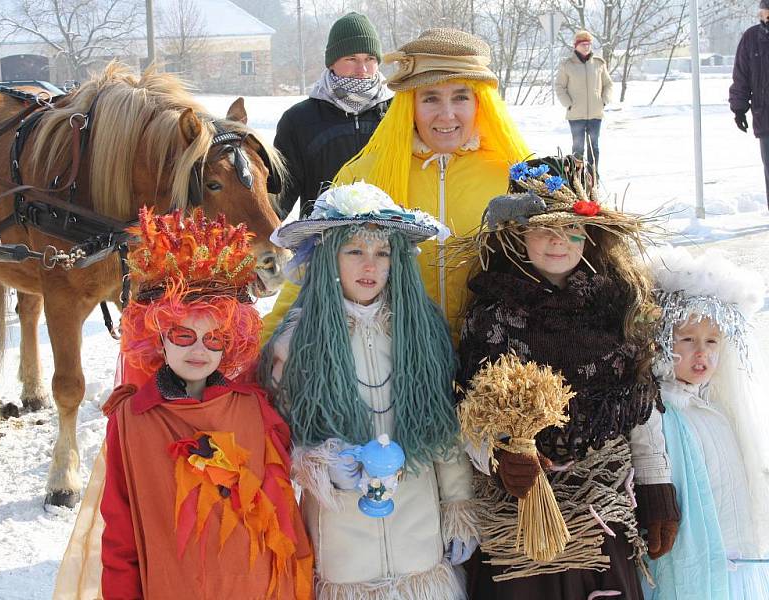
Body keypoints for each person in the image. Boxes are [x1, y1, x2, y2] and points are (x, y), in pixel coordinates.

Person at [53, 207, 313, 600]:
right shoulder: (132, 420)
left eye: (214, 338)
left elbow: (282, 517)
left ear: (231, 341)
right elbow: (120, 534)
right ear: (157, 335)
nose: (198, 350)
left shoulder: (255, 410)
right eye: (182, 334)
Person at [456, 156, 679, 599]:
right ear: (518, 233)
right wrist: (497, 459)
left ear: (590, 232)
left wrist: (657, 484)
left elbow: (640, 404)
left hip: (602, 511)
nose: (557, 241)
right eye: (542, 227)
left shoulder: (618, 306)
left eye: (570, 227)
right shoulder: (493, 312)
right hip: (520, 514)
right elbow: (467, 409)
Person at [261, 182, 478, 599]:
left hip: (420, 551)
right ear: (327, 257)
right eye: (354, 251)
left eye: (382, 253)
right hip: (344, 557)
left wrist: (457, 507)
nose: (370, 266)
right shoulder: (296, 343)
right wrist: (319, 463)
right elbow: (276, 440)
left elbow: (443, 431)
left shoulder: (420, 333)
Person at [264, 27, 530, 341]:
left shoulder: (513, 176)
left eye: (461, 97)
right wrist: (266, 342)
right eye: (430, 98)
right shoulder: (363, 176)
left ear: (480, 103)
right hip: (395, 363)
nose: (447, 115)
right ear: (409, 105)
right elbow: (311, 265)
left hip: (492, 359)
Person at [642, 246, 769, 599]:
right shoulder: (660, 412)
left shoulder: (717, 411)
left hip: (734, 552)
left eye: (712, 341)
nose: (702, 353)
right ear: (662, 343)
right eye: (687, 340)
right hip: (693, 556)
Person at [273, 12, 393, 219]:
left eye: (370, 59)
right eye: (351, 59)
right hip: (321, 241)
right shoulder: (298, 120)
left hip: (389, 241)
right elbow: (281, 195)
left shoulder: (397, 111)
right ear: (331, 62)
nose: (362, 68)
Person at [556, 30, 613, 177]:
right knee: (578, 148)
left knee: (594, 147)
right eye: (583, 44)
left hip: (595, 113)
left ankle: (593, 176)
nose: (586, 47)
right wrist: (568, 104)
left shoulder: (599, 64)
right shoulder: (567, 65)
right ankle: (578, 177)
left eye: (588, 44)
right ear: (576, 46)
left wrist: (604, 101)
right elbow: (559, 87)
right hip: (576, 115)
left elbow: (608, 84)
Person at [729, 0, 769, 209]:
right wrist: (738, 108)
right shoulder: (752, 38)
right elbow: (741, 76)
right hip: (766, 118)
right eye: (765, 11)